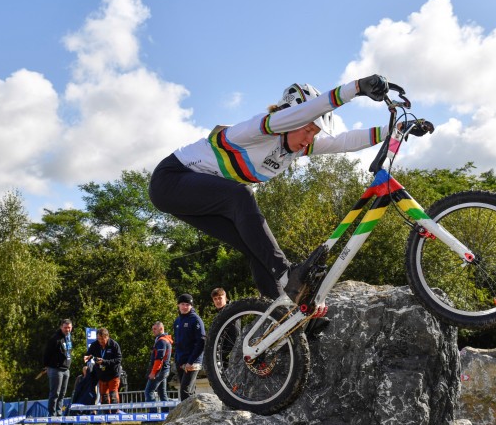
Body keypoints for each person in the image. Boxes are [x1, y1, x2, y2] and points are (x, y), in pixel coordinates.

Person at [149, 76, 433, 304]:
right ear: (290, 117)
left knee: (253, 246)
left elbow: (345, 141)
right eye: (306, 129)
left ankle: (282, 310)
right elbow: (308, 111)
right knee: (240, 195)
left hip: (200, 197)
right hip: (171, 181)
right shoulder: (256, 129)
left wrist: (397, 127)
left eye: (315, 133)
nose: (309, 138)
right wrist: (355, 88)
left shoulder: (300, 147)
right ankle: (287, 274)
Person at [172, 294, 206, 401]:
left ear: (191, 306)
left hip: (192, 362)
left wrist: (190, 361)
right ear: (178, 305)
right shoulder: (177, 321)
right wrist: (177, 360)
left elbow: (201, 341)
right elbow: (177, 342)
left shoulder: (196, 319)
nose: (185, 307)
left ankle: (187, 417)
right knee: (189, 392)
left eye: (188, 304)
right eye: (183, 304)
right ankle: (194, 416)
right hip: (181, 362)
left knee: (185, 392)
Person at [85, 328, 123, 411]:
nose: (100, 341)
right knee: (103, 396)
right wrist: (87, 360)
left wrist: (104, 361)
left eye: (102, 339)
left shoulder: (114, 345)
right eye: (98, 339)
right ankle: (106, 415)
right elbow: (88, 355)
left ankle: (114, 414)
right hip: (101, 375)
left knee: (113, 395)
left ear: (107, 337)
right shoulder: (94, 345)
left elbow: (118, 359)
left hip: (113, 374)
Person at [43, 319, 74, 417]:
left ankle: (59, 414)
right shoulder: (55, 339)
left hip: (66, 369)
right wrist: (47, 366)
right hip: (56, 369)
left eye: (69, 327)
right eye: (65, 327)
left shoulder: (69, 337)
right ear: (61, 327)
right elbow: (47, 353)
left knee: (62, 394)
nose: (67, 330)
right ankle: (52, 415)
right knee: (55, 394)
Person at [144, 321, 173, 413]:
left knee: (149, 392)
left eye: (155, 329)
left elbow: (159, 359)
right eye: (152, 329)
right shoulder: (164, 339)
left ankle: (153, 416)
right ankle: (165, 415)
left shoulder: (162, 341)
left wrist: (153, 372)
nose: (153, 331)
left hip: (159, 371)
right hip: (164, 370)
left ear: (161, 329)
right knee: (162, 393)